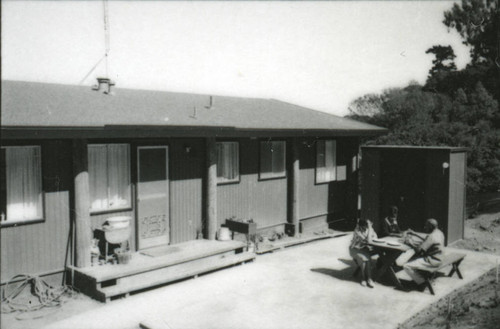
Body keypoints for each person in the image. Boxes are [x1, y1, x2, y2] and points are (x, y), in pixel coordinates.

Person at [403, 218, 445, 289]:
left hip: (433, 261)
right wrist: (415, 234)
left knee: (406, 266)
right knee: (415, 259)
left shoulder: (431, 236)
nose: (425, 227)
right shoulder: (439, 233)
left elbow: (419, 251)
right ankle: (421, 279)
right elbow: (428, 240)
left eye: (426, 226)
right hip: (440, 258)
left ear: (431, 226)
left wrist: (410, 243)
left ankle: (422, 283)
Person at [349, 218, 378, 288]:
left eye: (369, 225)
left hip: (364, 249)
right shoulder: (357, 230)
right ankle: (363, 278)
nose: (368, 227)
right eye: (367, 225)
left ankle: (369, 279)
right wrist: (370, 229)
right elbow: (368, 241)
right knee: (364, 258)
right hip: (355, 249)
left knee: (366, 258)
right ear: (361, 226)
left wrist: (371, 231)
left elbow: (376, 238)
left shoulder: (369, 229)